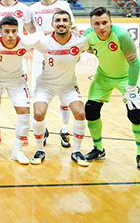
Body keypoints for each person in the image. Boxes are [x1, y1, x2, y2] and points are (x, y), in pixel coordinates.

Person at [83, 7, 140, 170]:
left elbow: (134, 63)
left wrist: (132, 88)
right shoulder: (88, 35)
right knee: (90, 110)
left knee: (135, 112)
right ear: (91, 25)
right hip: (103, 76)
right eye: (97, 23)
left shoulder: (121, 35)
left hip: (127, 77)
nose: (101, 27)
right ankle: (98, 149)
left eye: (105, 23)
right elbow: (90, 49)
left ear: (111, 22)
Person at [0, 16, 43, 164]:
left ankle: (17, 150)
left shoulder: (25, 41)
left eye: (13, 31)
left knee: (24, 113)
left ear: (18, 31)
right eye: (6, 31)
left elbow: (43, 33)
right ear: (0, 31)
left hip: (16, 80)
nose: (10, 35)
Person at [31, 10, 88, 166]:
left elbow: (96, 45)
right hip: (46, 85)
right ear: (53, 24)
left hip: (68, 85)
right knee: (38, 113)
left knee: (80, 113)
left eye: (64, 20)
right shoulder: (43, 42)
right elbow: (25, 40)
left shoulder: (80, 41)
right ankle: (40, 149)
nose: (61, 23)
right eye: (58, 20)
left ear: (71, 24)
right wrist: (44, 31)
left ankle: (76, 151)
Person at [27, 0, 75, 147]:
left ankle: (64, 129)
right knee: (39, 95)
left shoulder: (63, 6)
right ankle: (44, 129)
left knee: (64, 94)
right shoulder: (32, 8)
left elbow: (73, 28)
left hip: (62, 56)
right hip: (41, 57)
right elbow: (32, 32)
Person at [0, 0, 34, 144]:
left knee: (21, 96)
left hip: (17, 59)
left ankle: (22, 131)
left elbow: (31, 31)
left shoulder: (24, 8)